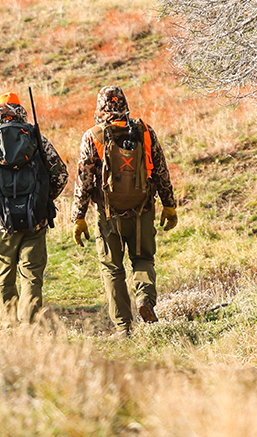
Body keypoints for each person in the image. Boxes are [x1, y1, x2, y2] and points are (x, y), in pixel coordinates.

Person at [72, 85, 178, 334]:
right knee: (143, 259)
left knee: (112, 269)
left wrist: (78, 217)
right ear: (124, 106)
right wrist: (169, 204)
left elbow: (84, 181)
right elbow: (161, 170)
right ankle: (144, 301)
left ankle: (123, 327)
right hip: (142, 211)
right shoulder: (145, 132)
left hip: (109, 216)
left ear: (100, 109)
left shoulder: (93, 136)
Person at [0, 91, 68, 323]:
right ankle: (29, 328)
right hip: (35, 221)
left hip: (1, 223)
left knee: (5, 278)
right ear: (21, 111)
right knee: (31, 276)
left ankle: (10, 329)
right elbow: (60, 174)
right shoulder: (35, 137)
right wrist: (42, 200)